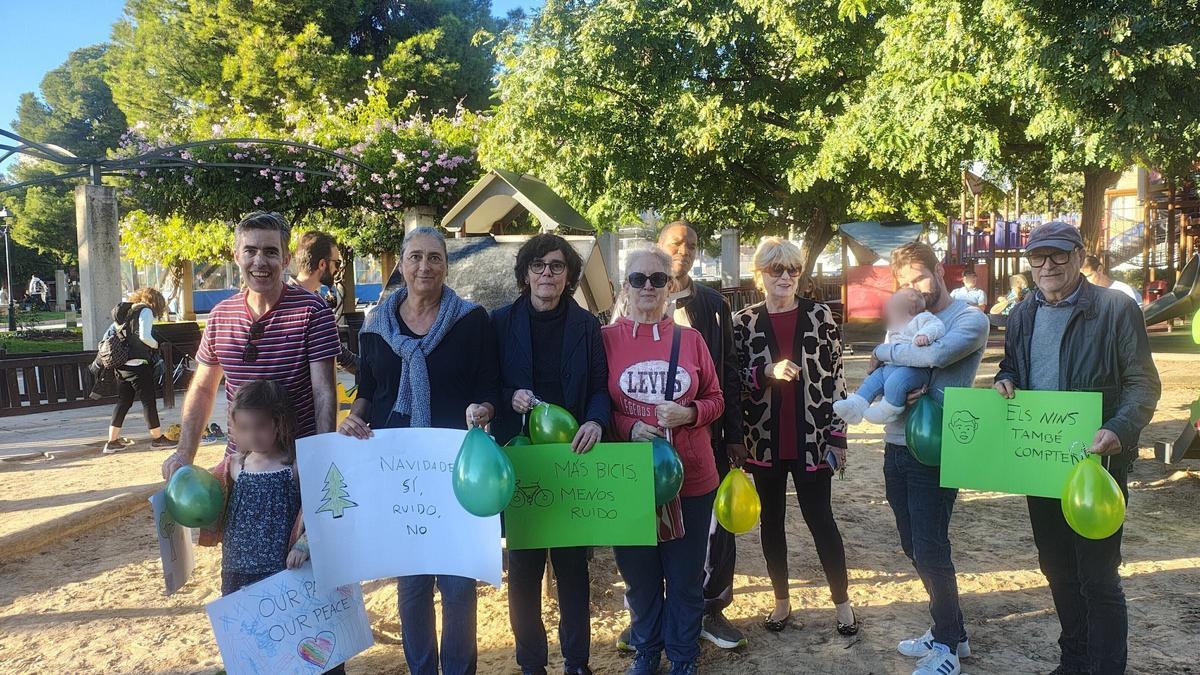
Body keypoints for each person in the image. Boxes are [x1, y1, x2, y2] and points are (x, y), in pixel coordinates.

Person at [994, 222, 1160, 675]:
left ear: (1079, 254)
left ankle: (1105, 668)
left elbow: (1144, 385)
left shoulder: (1115, 309)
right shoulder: (1024, 312)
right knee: (1056, 568)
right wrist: (1004, 379)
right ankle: (1075, 661)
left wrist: (1119, 429)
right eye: (1038, 257)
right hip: (1039, 463)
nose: (1047, 265)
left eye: (1058, 255)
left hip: (1096, 464)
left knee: (1098, 577)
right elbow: (1013, 366)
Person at [338, 226, 499, 675]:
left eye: (434, 258)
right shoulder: (375, 326)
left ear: (446, 265)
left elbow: (490, 386)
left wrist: (483, 407)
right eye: (415, 257)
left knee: (458, 584)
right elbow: (369, 389)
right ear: (401, 265)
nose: (424, 267)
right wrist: (355, 417)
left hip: (457, 467)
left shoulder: (471, 321)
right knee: (410, 584)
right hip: (399, 470)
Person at [603, 246, 724, 675]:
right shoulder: (606, 341)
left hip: (690, 477)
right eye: (638, 279)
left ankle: (684, 657)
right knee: (639, 577)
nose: (648, 287)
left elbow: (716, 398)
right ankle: (647, 651)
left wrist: (691, 414)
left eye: (657, 279)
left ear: (670, 286)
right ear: (625, 286)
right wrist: (625, 425)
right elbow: (596, 406)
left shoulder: (690, 341)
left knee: (686, 576)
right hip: (629, 478)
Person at [492, 233, 609, 675]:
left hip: (572, 460)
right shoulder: (499, 322)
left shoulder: (587, 326)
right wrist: (508, 396)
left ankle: (577, 663)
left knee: (573, 571)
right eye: (539, 266)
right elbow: (487, 385)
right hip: (522, 463)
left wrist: (596, 420)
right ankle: (531, 665)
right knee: (522, 572)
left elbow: (600, 385)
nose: (547, 274)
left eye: (557, 266)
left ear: (569, 276)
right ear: (525, 274)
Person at [871, 242, 990, 675]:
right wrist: (886, 367)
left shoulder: (969, 319)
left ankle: (945, 646)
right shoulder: (904, 313)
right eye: (905, 283)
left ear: (940, 270)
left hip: (936, 448)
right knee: (911, 543)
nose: (915, 289)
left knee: (931, 546)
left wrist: (884, 353)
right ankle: (952, 633)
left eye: (920, 277)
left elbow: (935, 355)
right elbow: (882, 378)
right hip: (896, 440)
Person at [732, 237, 858, 638]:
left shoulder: (821, 316)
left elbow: (837, 378)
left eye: (793, 270)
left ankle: (843, 604)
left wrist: (838, 437)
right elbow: (733, 382)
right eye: (776, 270)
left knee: (821, 519)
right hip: (764, 440)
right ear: (760, 275)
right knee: (772, 522)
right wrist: (764, 373)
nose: (785, 277)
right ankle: (781, 601)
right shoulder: (744, 323)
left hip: (813, 439)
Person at [161, 211, 340, 479]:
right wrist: (185, 452)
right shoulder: (221, 316)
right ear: (236, 256)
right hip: (240, 466)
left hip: (296, 466)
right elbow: (202, 389)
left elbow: (323, 392)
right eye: (250, 251)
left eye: (270, 252)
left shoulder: (312, 311)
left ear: (286, 258)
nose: (260, 261)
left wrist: (320, 456)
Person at [198, 380, 345, 674]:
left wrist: (304, 544)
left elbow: (320, 510)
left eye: (261, 426)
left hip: (283, 575)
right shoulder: (233, 466)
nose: (253, 435)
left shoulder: (295, 466)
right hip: (238, 573)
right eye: (245, 427)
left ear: (278, 423)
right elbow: (208, 504)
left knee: (294, 646)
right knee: (252, 648)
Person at [650, 221, 748, 651]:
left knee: (712, 529)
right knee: (649, 529)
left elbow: (726, 372)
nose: (684, 250)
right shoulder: (635, 294)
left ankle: (710, 610)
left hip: (703, 433)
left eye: (691, 244)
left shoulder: (712, 304)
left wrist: (734, 433)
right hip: (645, 439)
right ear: (659, 246)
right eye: (676, 242)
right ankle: (651, 617)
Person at [835, 288, 945, 425]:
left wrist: (925, 335)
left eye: (891, 310)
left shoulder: (922, 318)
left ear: (905, 311)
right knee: (873, 380)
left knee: (896, 381)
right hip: (890, 366)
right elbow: (887, 348)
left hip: (914, 370)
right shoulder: (893, 327)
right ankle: (857, 404)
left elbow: (937, 326)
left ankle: (889, 409)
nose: (888, 315)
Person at [103, 288, 177, 453]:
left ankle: (112, 441)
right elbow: (144, 336)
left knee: (123, 402)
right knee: (148, 402)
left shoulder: (126, 311)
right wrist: (156, 345)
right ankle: (157, 439)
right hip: (138, 364)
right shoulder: (145, 311)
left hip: (121, 364)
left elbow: (109, 335)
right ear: (156, 302)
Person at [291, 230, 359, 374]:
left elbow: (339, 352)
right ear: (322, 264)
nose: (338, 269)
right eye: (337, 263)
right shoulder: (318, 307)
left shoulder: (280, 297)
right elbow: (343, 357)